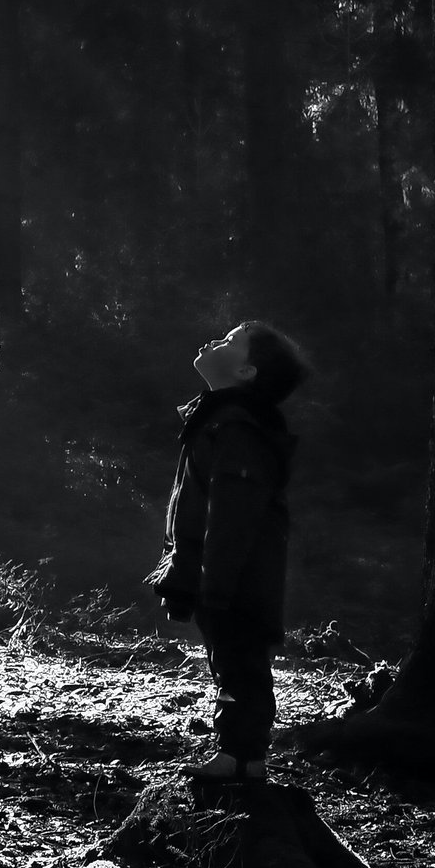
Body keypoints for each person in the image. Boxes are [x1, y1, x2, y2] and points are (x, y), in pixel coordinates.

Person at [149, 321, 308, 783]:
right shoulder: (219, 419)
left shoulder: (239, 428)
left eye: (229, 341)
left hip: (237, 574)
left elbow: (234, 515)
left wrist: (214, 583)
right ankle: (238, 754)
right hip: (221, 571)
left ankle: (243, 757)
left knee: (240, 663)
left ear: (245, 370)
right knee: (229, 660)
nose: (212, 341)